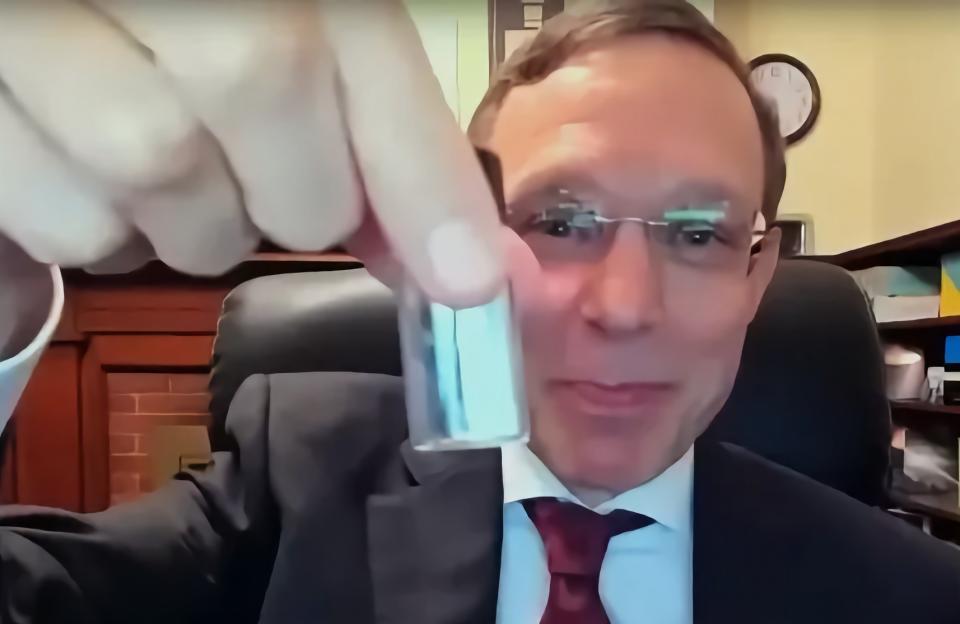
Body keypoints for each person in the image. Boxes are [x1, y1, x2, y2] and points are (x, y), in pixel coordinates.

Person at [1, 1, 958, 623]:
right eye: (560, 220)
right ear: (456, 229)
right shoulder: (294, 481)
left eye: (700, 234)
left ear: (758, 278)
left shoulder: (912, 597)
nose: (624, 307)